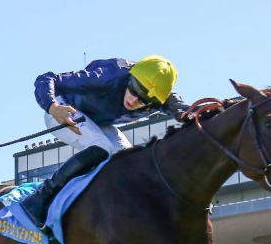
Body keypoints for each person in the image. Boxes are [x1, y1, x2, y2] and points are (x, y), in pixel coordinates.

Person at [21, 55, 188, 229]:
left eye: (143, 100)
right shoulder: (107, 78)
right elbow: (47, 78)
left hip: (97, 122)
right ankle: (40, 197)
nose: (133, 101)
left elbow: (187, 111)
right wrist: (53, 107)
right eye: (133, 90)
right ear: (130, 78)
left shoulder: (161, 97)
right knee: (102, 148)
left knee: (128, 161)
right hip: (63, 109)